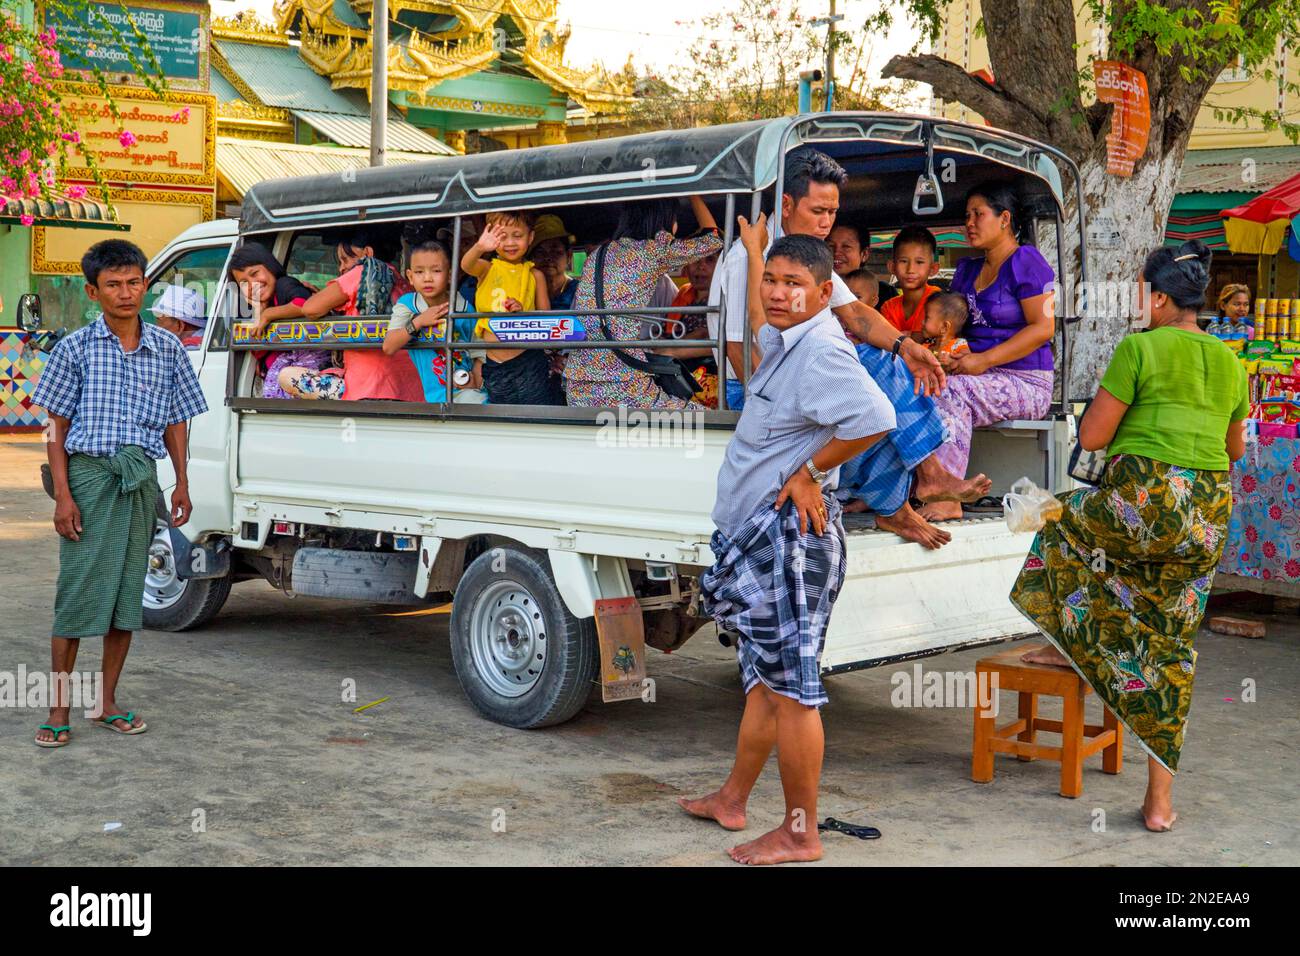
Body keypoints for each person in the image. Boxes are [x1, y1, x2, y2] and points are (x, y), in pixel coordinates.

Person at [1009, 240, 1247, 832]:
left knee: (1046, 514)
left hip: (1142, 502)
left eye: (1143, 293)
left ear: (1161, 297)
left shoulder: (1139, 348)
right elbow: (1234, 449)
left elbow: (1090, 438)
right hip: (1205, 518)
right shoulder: (1231, 362)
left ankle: (1069, 642)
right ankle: (1159, 803)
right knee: (1170, 652)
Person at [677, 236, 895, 864]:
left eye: (793, 282)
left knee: (793, 692)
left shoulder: (823, 351)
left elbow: (876, 417)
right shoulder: (787, 338)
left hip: (789, 549)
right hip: (760, 540)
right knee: (764, 686)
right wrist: (749, 258)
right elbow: (754, 323)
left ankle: (801, 832)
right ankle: (732, 800)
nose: (778, 291)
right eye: (771, 278)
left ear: (826, 294)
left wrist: (808, 471)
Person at [713, 149, 986, 548]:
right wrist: (769, 402)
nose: (827, 223)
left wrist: (906, 346)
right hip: (757, 384)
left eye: (833, 212)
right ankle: (912, 491)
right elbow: (743, 347)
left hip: (801, 373)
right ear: (786, 205)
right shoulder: (747, 262)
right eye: (819, 211)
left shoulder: (805, 254)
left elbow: (856, 314)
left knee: (880, 372)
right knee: (867, 381)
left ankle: (912, 492)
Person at [30, 239, 208, 747]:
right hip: (89, 478)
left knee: (127, 594)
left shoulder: (168, 348)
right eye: (113, 284)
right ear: (93, 291)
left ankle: (105, 703)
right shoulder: (75, 349)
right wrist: (64, 497)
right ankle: (57, 709)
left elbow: (177, 421)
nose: (125, 293)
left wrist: (182, 482)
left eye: (133, 282)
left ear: (145, 286)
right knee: (80, 591)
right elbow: (55, 430)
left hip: (140, 479)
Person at [925, 182, 1057, 521]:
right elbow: (956, 327)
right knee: (915, 382)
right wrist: (948, 355)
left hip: (1026, 380)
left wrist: (983, 360)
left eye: (978, 214)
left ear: (1004, 219)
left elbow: (1043, 328)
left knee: (952, 391)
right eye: (966, 216)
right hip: (976, 373)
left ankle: (948, 495)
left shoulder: (1027, 262)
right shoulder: (967, 270)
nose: (969, 222)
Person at [564, 196, 723, 408]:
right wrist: (693, 193)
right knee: (706, 421)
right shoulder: (654, 251)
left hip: (576, 388)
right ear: (665, 220)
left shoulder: (598, 255)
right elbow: (714, 239)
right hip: (624, 389)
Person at [261, 234, 424, 402]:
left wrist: (268, 312)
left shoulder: (364, 271)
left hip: (369, 386)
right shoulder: (403, 282)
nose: (341, 268)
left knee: (286, 376)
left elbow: (310, 309)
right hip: (409, 388)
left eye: (345, 259)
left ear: (367, 253)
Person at [462, 211, 563, 406]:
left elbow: (547, 320)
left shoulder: (535, 276)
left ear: (530, 237)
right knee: (503, 416)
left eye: (517, 236)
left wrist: (523, 312)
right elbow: (467, 265)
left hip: (528, 361)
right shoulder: (486, 268)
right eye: (502, 236)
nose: (510, 243)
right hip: (493, 363)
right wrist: (479, 247)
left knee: (536, 414)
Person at [384, 239, 484, 403]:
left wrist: (475, 384)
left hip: (465, 391)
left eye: (436, 271)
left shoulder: (465, 309)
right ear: (410, 276)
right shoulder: (408, 304)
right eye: (419, 272)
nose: (427, 278)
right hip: (431, 396)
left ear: (450, 275)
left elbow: (480, 354)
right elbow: (389, 346)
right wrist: (419, 322)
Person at [227, 243, 326, 400]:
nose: (252, 285)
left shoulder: (284, 285)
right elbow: (258, 349)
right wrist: (260, 309)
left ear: (270, 266)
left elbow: (304, 305)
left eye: (254, 273)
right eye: (244, 283)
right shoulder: (264, 304)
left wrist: (268, 314)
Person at [880, 225, 943, 333]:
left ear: (933, 269)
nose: (910, 269)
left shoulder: (938, 300)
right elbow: (888, 342)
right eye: (904, 261)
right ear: (892, 267)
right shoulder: (889, 307)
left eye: (919, 262)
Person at [915, 291, 970, 360]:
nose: (922, 322)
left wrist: (952, 361)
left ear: (944, 327)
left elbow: (967, 361)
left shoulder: (959, 346)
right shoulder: (926, 346)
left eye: (926, 318)